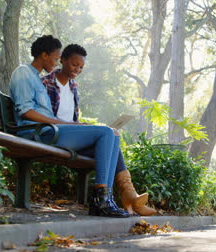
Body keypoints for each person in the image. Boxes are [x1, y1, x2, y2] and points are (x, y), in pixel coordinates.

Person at [8, 35, 128, 218]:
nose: (56, 63)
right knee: (104, 132)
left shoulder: (37, 78)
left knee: (113, 135)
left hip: (50, 131)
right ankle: (100, 201)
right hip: (37, 133)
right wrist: (65, 123)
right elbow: (26, 112)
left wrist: (73, 124)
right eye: (56, 59)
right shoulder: (23, 72)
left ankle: (106, 199)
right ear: (44, 55)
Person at [42, 44, 156, 216]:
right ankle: (108, 200)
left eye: (81, 67)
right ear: (63, 60)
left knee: (113, 138)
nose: (78, 69)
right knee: (106, 133)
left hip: (70, 135)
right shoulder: (46, 83)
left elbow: (73, 118)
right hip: (54, 133)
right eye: (74, 65)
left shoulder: (73, 87)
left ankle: (111, 199)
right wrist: (78, 127)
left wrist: (80, 126)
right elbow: (45, 116)